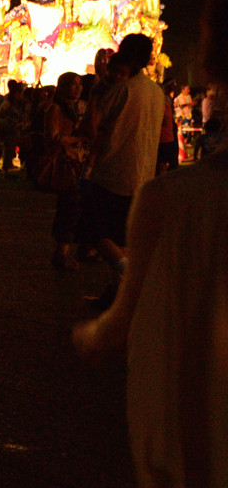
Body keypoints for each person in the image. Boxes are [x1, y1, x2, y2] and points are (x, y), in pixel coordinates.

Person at [73, 0, 228, 488]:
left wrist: (93, 333)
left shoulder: (182, 205)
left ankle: (117, 263)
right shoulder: (160, 101)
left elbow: (122, 336)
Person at [82, 34, 165, 310]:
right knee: (123, 236)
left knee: (95, 232)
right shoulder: (156, 92)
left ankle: (124, 271)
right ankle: (118, 294)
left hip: (112, 172)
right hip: (142, 172)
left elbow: (93, 129)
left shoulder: (120, 90)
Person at [44, 72, 87, 270]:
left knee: (77, 206)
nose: (78, 88)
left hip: (81, 162)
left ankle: (71, 249)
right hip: (66, 164)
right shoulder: (56, 109)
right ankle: (62, 251)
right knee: (70, 205)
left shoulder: (81, 108)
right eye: (73, 84)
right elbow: (53, 137)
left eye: (80, 84)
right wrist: (78, 138)